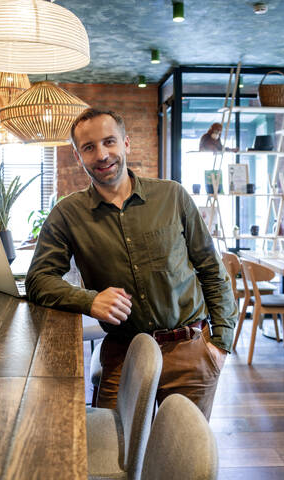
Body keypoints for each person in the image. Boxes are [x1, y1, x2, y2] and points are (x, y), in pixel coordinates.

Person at [26, 108, 237, 420]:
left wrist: (220, 343)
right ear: (77, 155)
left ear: (126, 143)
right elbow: (38, 279)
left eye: (109, 142)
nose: (102, 155)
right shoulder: (67, 214)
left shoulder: (172, 195)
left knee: (181, 458)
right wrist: (90, 300)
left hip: (190, 350)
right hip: (124, 352)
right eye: (89, 147)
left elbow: (211, 269)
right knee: (114, 455)